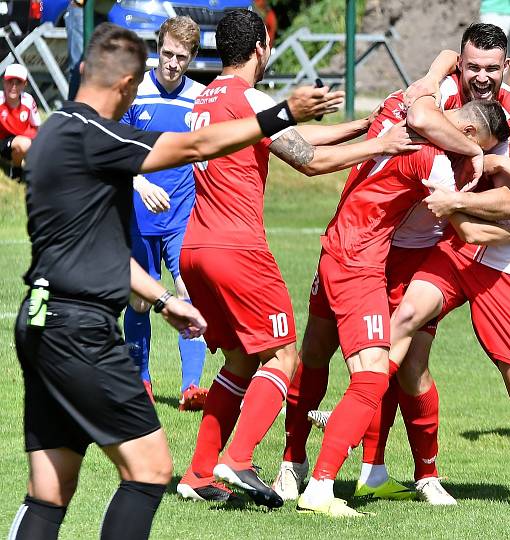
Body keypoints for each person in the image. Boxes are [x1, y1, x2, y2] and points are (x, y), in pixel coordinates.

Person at [9, 21, 345, 540]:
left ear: (81, 70)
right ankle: (229, 462)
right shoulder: (100, 134)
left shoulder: (50, 133)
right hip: (82, 330)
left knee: (50, 492)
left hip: (39, 320)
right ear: (125, 86)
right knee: (149, 472)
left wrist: (164, 298)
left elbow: (91, 249)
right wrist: (280, 113)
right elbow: (195, 147)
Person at [274, 23, 510, 507]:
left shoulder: (507, 112)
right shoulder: (431, 104)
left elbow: (508, 199)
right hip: (363, 250)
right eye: (472, 66)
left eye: (492, 69)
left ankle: (404, 472)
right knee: (331, 356)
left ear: (506, 66)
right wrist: (472, 156)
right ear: (460, 62)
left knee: (406, 363)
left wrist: (474, 197)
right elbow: (423, 115)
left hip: (404, 252)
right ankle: (301, 469)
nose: (481, 76)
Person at [175, 9, 420, 507]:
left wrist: (363, 126)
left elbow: (293, 142)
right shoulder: (252, 97)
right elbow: (313, 163)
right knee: (283, 354)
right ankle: (238, 460)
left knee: (245, 356)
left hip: (195, 246)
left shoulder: (207, 96)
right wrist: (385, 144)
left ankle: (199, 474)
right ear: (262, 48)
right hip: (237, 248)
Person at [383, 57, 510, 510]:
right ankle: (390, 443)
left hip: (508, 271)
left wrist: (503, 165)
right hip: (458, 251)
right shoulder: (506, 120)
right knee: (405, 323)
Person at [121, 16, 209, 410]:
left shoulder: (201, 99)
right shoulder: (133, 92)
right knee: (140, 299)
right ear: (158, 48)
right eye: (167, 53)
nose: (172, 63)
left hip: (182, 214)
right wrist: (140, 182)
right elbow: (114, 150)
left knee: (189, 293)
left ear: (191, 58)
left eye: (182, 57)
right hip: (138, 212)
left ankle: (191, 388)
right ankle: (141, 381)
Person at [0, 64, 40, 178]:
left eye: (18, 82)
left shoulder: (28, 101)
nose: (13, 86)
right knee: (24, 144)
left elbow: (36, 126)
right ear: (4, 82)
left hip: (21, 140)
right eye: (10, 82)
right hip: (3, 140)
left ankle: (18, 165)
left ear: (25, 84)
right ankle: (17, 169)